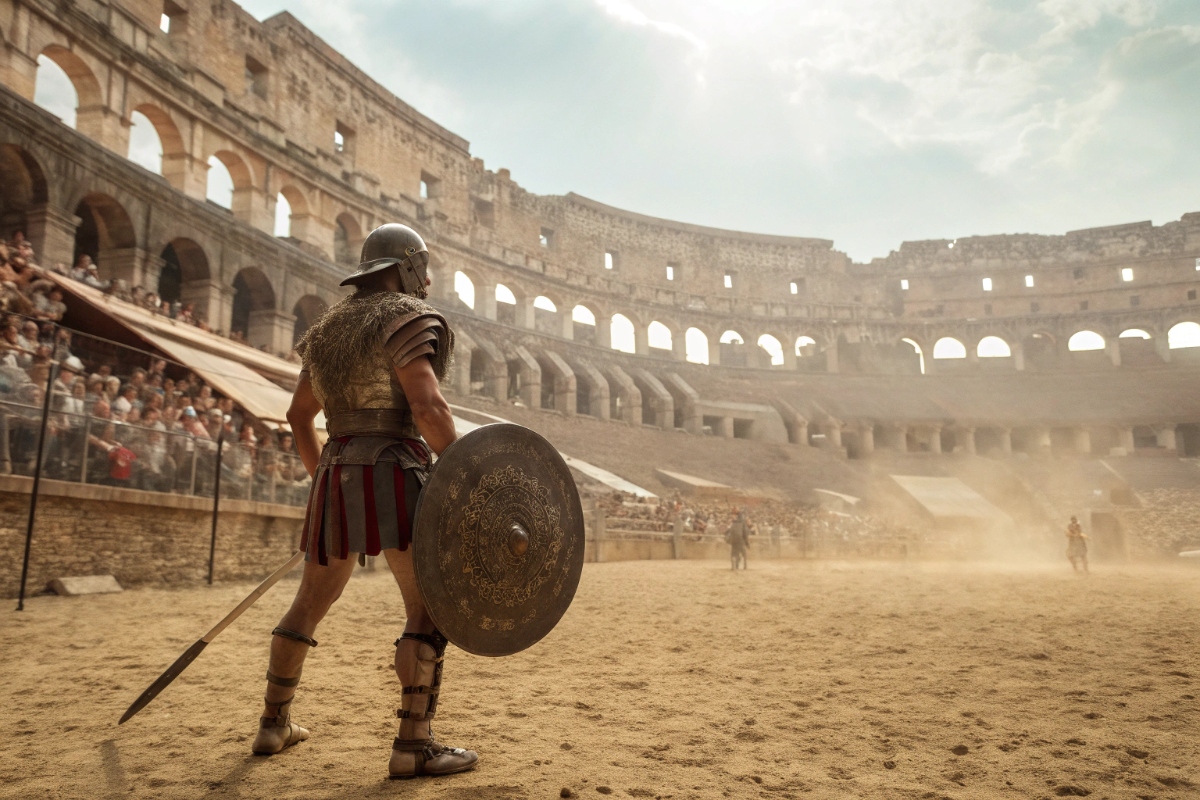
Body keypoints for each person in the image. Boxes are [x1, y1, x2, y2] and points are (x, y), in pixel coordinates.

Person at [250, 223, 475, 778]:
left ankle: (273, 723)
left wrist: (327, 478)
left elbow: (299, 416)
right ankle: (412, 746)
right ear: (405, 268)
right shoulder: (407, 317)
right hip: (397, 473)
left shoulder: (328, 331)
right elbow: (428, 409)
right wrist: (470, 473)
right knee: (425, 610)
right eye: (422, 267)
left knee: (306, 604)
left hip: (337, 473)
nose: (425, 279)